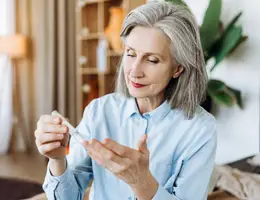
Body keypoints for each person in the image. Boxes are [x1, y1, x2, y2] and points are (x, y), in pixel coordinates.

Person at [34, 1, 217, 200]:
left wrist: (142, 183)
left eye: (152, 60)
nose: (134, 71)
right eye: (130, 53)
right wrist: (57, 160)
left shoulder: (200, 129)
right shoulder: (99, 110)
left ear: (178, 68)